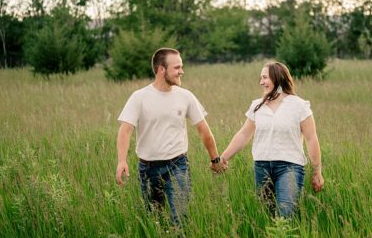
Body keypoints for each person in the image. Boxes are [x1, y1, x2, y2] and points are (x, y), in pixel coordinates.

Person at [116, 47, 226, 225]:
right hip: (147, 168)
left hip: (178, 166)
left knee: (180, 220)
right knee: (154, 221)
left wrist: (215, 159)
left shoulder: (186, 96)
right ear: (161, 69)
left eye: (181, 66)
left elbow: (203, 130)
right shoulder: (139, 97)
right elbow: (125, 130)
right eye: (177, 67)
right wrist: (122, 160)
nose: (182, 71)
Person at [220, 61, 324, 217]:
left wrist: (317, 172)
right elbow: (244, 134)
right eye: (261, 78)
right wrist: (223, 157)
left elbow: (311, 139)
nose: (261, 82)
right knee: (266, 215)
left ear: (278, 78)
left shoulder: (299, 105)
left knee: (286, 215)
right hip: (261, 166)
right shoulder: (257, 105)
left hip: (290, 167)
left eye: (265, 77)